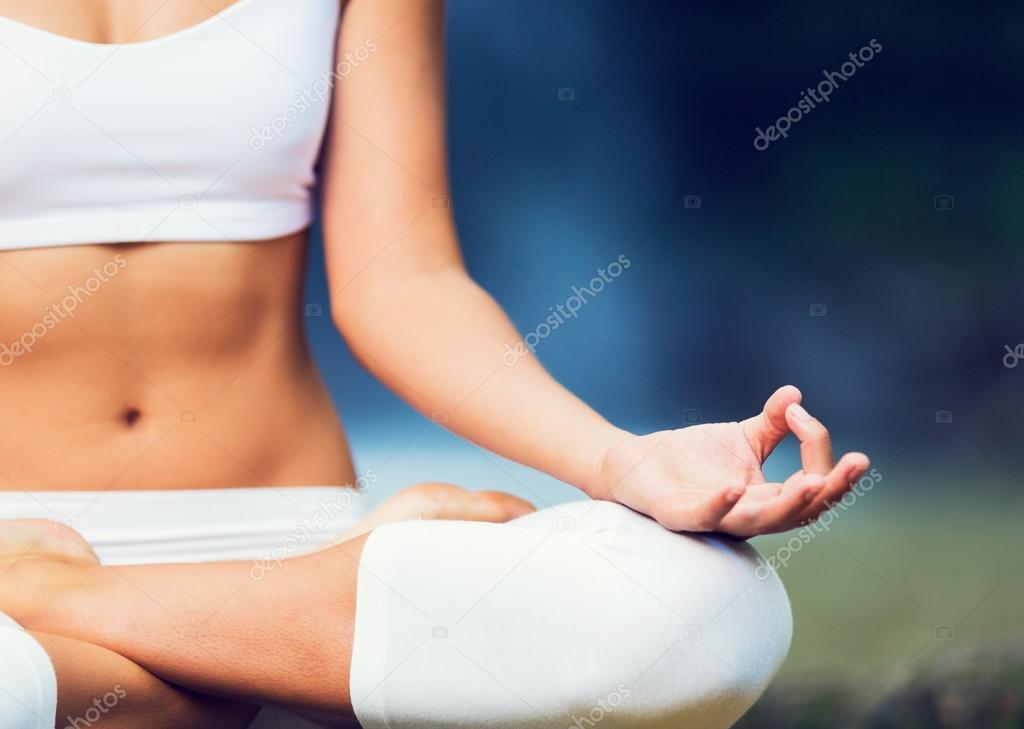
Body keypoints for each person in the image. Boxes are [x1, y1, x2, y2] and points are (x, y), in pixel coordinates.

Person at [0, 1, 870, 727]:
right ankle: (238, 680)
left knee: (710, 611)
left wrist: (621, 458)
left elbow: (402, 284)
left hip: (304, 567)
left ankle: (64, 613)